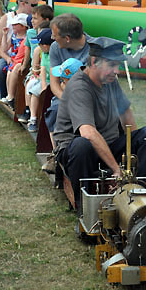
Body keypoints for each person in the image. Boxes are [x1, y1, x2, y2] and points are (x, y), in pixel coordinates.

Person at [53, 36, 146, 213]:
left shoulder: (110, 81)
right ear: (95, 61)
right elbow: (87, 132)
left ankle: (142, 196)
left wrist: (132, 151)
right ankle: (85, 209)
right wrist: (116, 169)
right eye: (112, 65)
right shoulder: (79, 86)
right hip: (78, 151)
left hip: (108, 145)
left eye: (118, 65)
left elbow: (125, 112)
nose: (117, 71)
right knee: (83, 145)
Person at [41, 13, 91, 174]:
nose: (53, 39)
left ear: (67, 38)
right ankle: (58, 154)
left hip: (91, 96)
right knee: (56, 110)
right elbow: (54, 83)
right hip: (64, 94)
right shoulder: (56, 47)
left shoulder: (94, 49)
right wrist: (67, 100)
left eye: (55, 36)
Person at [0, 0, 38, 101]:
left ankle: (17, 100)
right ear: (23, 3)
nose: (36, 7)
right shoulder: (7, 18)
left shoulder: (36, 18)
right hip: (11, 55)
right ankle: (5, 96)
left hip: (30, 56)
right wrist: (7, 58)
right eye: (34, 5)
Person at [17, 4, 54, 123]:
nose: (32, 21)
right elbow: (27, 48)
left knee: (33, 84)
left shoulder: (51, 36)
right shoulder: (31, 33)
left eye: (35, 18)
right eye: (32, 18)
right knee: (29, 84)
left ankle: (36, 115)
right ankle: (28, 110)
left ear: (46, 20)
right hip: (34, 68)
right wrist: (24, 64)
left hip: (45, 71)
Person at [26, 28, 53, 133]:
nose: (38, 47)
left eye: (40, 45)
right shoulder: (45, 54)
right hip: (46, 80)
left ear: (45, 46)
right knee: (34, 92)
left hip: (56, 82)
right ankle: (33, 119)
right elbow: (43, 69)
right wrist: (43, 85)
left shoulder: (54, 54)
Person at [1, 13, 29, 110]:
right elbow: (4, 48)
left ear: (23, 26)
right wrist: (4, 36)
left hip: (20, 61)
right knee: (9, 72)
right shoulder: (13, 35)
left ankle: (11, 96)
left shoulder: (27, 37)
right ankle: (10, 96)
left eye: (15, 25)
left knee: (11, 73)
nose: (12, 26)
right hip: (13, 60)